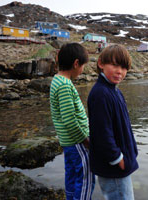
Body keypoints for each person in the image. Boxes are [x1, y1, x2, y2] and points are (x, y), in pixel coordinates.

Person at [87, 44, 138, 200]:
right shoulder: (101, 93)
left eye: (124, 67)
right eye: (115, 65)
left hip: (120, 164)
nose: (120, 71)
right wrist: (118, 159)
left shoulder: (115, 91)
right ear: (101, 63)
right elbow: (102, 132)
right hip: (113, 166)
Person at [50, 43, 95, 200]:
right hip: (77, 142)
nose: (82, 70)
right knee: (86, 178)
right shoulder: (64, 85)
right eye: (82, 66)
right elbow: (69, 119)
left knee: (72, 175)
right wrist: (85, 140)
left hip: (68, 142)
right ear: (76, 63)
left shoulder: (57, 80)